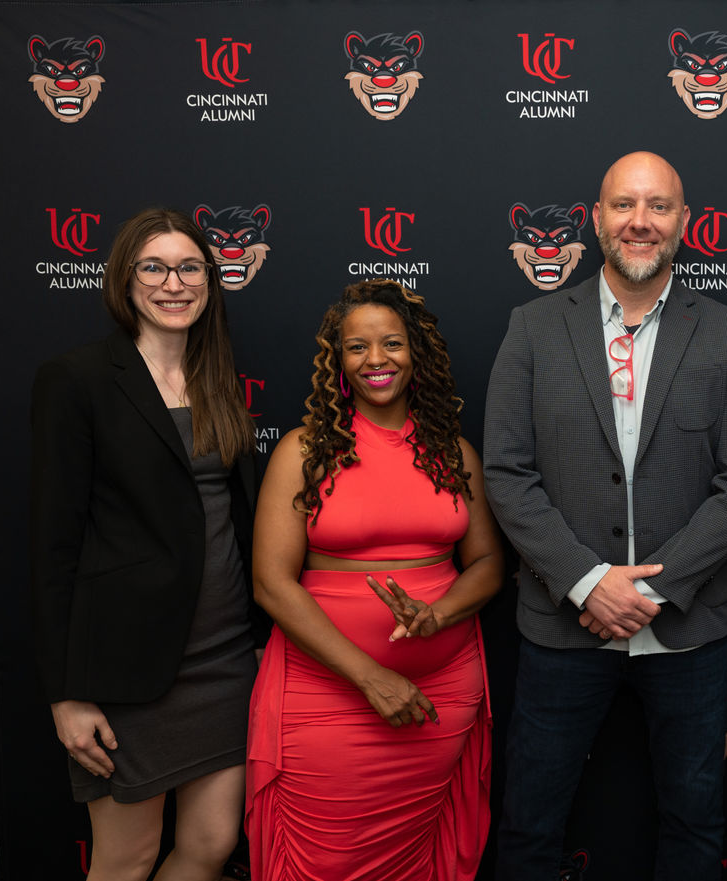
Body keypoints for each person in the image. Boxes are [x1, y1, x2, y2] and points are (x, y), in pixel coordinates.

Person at [483, 150, 727, 880]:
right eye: (624, 205)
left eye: (659, 206)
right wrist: (586, 581)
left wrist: (645, 591)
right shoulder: (533, 326)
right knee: (528, 824)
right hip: (561, 626)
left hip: (687, 632)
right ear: (597, 218)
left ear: (685, 221)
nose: (640, 222)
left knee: (695, 825)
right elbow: (507, 474)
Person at [30, 207, 261, 881]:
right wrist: (65, 694)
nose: (174, 282)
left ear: (210, 280)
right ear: (124, 280)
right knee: (127, 858)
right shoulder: (76, 380)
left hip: (224, 664)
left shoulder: (218, 377)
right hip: (126, 674)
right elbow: (51, 550)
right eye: (153, 267)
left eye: (190, 267)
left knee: (212, 842)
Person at [246, 279, 502, 880]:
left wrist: (440, 613)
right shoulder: (302, 452)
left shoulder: (454, 454)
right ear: (337, 361)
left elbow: (490, 563)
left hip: (440, 698)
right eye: (357, 347)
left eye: (391, 344)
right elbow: (271, 583)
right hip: (327, 697)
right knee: (327, 861)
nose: (376, 360)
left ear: (417, 353)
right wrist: (371, 676)